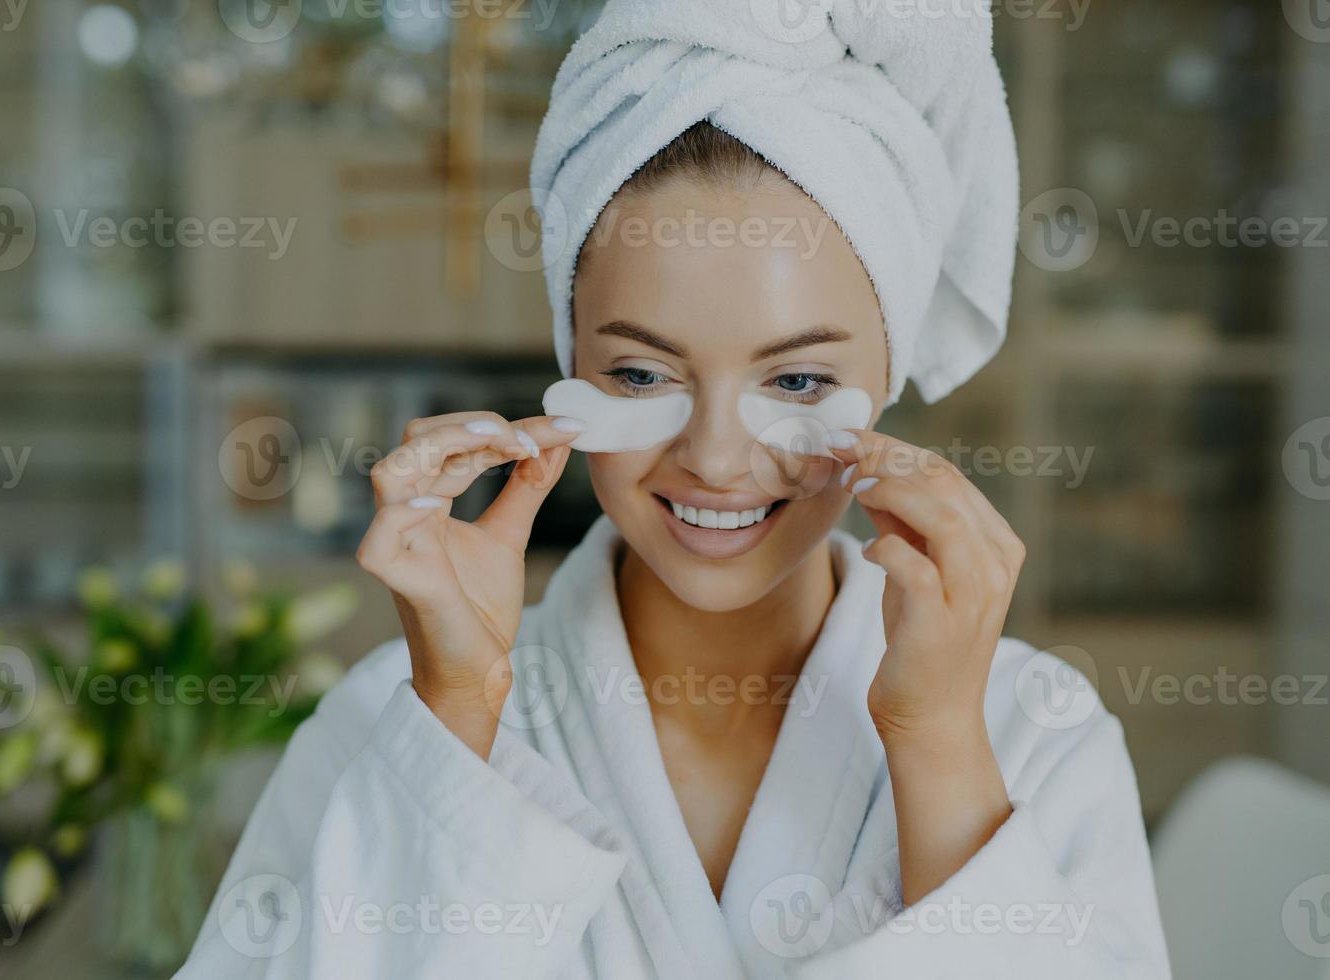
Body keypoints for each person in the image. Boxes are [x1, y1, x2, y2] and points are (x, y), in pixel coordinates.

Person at [176, 1, 1170, 977]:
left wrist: (940, 741)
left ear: (887, 376)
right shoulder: (401, 714)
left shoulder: (1033, 728)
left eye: (797, 382)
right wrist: (460, 713)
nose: (718, 458)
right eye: (644, 376)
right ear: (571, 364)